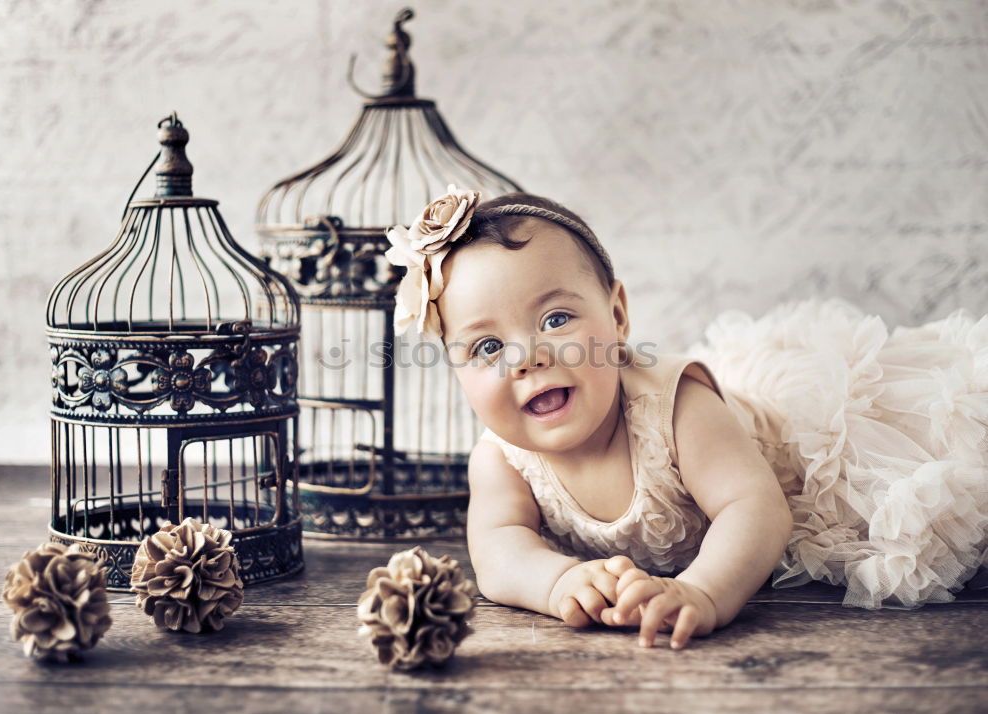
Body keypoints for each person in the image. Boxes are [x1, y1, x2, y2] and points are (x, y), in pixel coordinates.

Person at [383, 186, 988, 650]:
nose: (527, 357)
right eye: (486, 347)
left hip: (812, 468)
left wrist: (703, 590)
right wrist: (557, 583)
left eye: (556, 320)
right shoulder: (501, 458)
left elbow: (755, 507)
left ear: (617, 317)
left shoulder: (675, 409)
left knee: (950, 457)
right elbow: (496, 548)